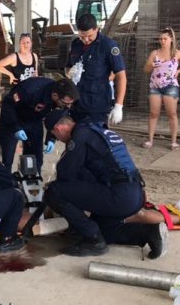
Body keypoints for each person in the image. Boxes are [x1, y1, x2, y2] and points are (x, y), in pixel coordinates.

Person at [42, 109, 168, 258]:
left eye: (55, 136)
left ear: (58, 128)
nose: (58, 140)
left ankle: (93, 241)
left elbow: (65, 172)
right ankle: (148, 232)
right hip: (136, 193)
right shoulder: (96, 130)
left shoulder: (80, 136)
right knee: (104, 232)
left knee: (54, 191)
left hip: (119, 196)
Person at [0, 77, 79, 172]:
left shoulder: (63, 100)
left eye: (70, 104)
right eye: (65, 103)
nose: (68, 106)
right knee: (7, 156)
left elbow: (56, 119)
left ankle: (32, 180)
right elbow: (7, 106)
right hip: (13, 118)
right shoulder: (29, 89)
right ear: (55, 95)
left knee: (36, 158)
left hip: (34, 120)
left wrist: (52, 138)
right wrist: (15, 127)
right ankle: (5, 182)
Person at [66, 13, 126, 126]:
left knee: (95, 139)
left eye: (89, 36)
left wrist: (119, 105)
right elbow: (68, 66)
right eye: (82, 36)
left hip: (98, 104)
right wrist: (69, 73)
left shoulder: (108, 46)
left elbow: (121, 76)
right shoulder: (76, 44)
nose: (86, 40)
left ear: (96, 29)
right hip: (76, 102)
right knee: (76, 139)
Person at [143, 27, 180, 149]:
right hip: (155, 86)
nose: (162, 41)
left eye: (165, 39)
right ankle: (150, 140)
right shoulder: (154, 53)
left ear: (171, 39)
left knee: (172, 113)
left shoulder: (176, 53)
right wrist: (151, 65)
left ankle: (173, 141)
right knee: (153, 113)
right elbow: (146, 70)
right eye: (161, 39)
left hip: (171, 86)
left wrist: (179, 71)